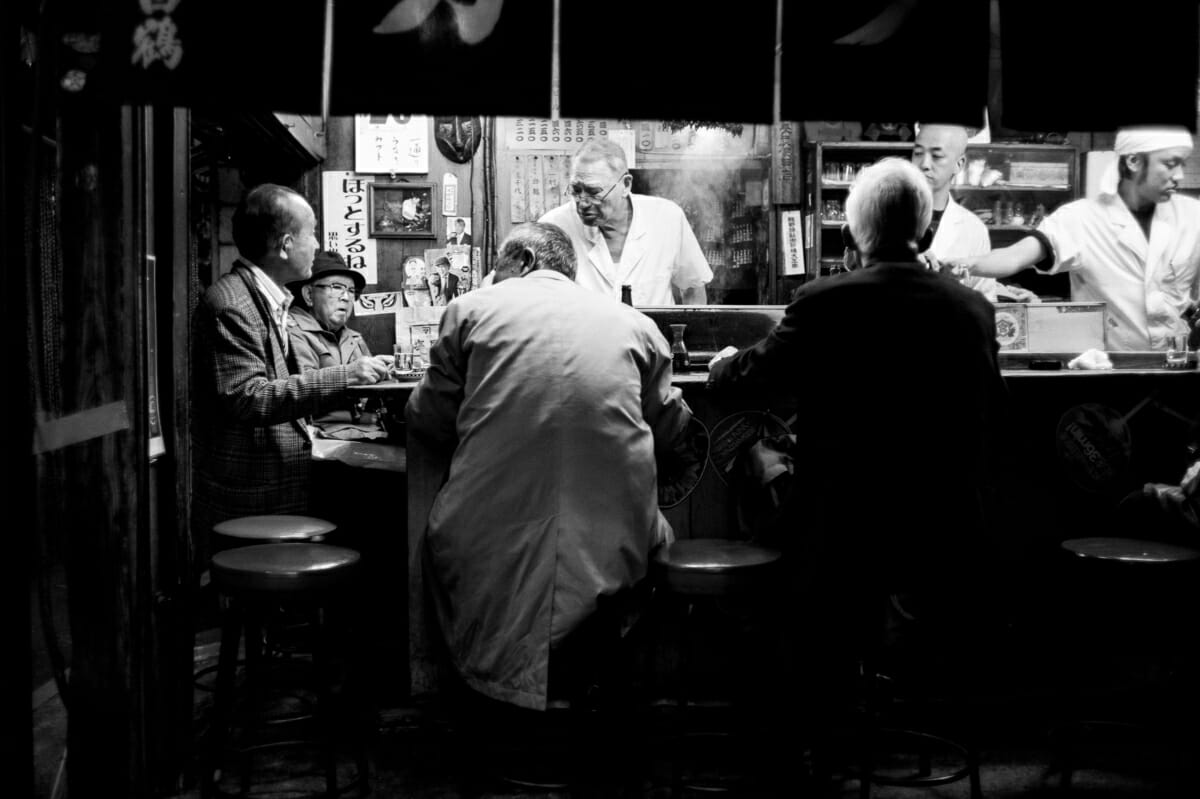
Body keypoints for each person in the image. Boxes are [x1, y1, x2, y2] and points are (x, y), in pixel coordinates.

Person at [706, 158, 1010, 763]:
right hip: (944, 529)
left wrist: (723, 366)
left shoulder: (825, 300)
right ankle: (901, 709)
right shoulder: (969, 309)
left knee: (764, 489)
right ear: (924, 227)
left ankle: (809, 720)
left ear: (854, 230)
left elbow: (754, 374)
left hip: (844, 530)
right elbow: (995, 415)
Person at [406, 221, 693, 713]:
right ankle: (596, 693)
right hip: (614, 538)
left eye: (497, 266)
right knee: (652, 547)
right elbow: (671, 427)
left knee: (438, 543)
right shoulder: (634, 325)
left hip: (485, 529)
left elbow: (427, 416)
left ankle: (493, 705)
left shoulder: (469, 310)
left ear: (522, 262)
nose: (492, 277)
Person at [192, 184, 391, 561]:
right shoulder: (232, 303)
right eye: (311, 233)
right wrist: (347, 375)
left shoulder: (267, 297)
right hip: (251, 489)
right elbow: (249, 399)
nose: (316, 245)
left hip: (280, 477)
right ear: (285, 244)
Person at [946, 126, 1200, 350]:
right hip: (1111, 368)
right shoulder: (1081, 219)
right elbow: (1014, 257)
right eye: (1169, 164)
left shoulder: (1192, 216)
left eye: (1182, 165)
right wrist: (959, 264)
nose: (1179, 175)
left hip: (1180, 367)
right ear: (1133, 162)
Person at [539, 137, 712, 305]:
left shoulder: (667, 218)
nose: (583, 203)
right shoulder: (553, 227)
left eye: (594, 192)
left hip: (652, 334)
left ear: (626, 185)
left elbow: (693, 288)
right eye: (576, 190)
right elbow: (537, 298)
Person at [912, 122, 1037, 303]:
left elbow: (984, 302)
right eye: (917, 153)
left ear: (959, 164)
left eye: (937, 156)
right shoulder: (880, 215)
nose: (924, 164)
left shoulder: (973, 229)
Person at [287, 249, 384, 439]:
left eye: (351, 290)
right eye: (336, 287)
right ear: (308, 294)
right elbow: (301, 390)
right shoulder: (292, 331)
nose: (346, 297)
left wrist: (384, 372)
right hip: (318, 439)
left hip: (365, 433)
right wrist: (351, 374)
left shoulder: (354, 338)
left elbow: (371, 397)